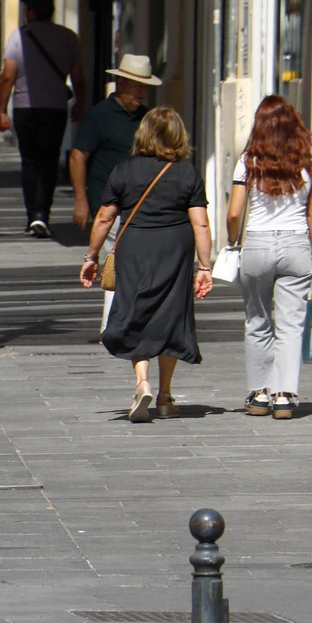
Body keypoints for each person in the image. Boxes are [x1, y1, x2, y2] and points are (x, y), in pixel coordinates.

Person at [79, 107, 213, 422]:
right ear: (178, 137)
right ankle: (165, 396)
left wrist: (91, 257)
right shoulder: (187, 173)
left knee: (136, 310)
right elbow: (201, 224)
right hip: (174, 250)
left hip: (135, 247)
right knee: (170, 315)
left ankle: (142, 382)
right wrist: (205, 266)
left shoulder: (123, 170)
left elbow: (104, 217)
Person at [226, 95, 312, 420]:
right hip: (297, 245)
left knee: (257, 321)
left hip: (257, 244)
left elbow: (234, 212)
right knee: (291, 324)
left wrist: (231, 241)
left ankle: (258, 394)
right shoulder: (311, 165)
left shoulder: (248, 162)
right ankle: (284, 396)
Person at [0, 0, 85, 238]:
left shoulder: (19, 36)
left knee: (30, 161)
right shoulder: (68, 37)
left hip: (25, 108)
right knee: (49, 161)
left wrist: (2, 109)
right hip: (55, 108)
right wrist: (80, 103)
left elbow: (7, 76)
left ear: (31, 12)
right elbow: (78, 77)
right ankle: (42, 214)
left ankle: (31, 215)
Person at [70, 54, 157, 232]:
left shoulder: (147, 117)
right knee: (113, 257)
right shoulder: (99, 115)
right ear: (121, 84)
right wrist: (81, 201)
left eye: (145, 87)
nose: (141, 92)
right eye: (137, 86)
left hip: (140, 203)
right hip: (107, 205)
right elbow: (77, 158)